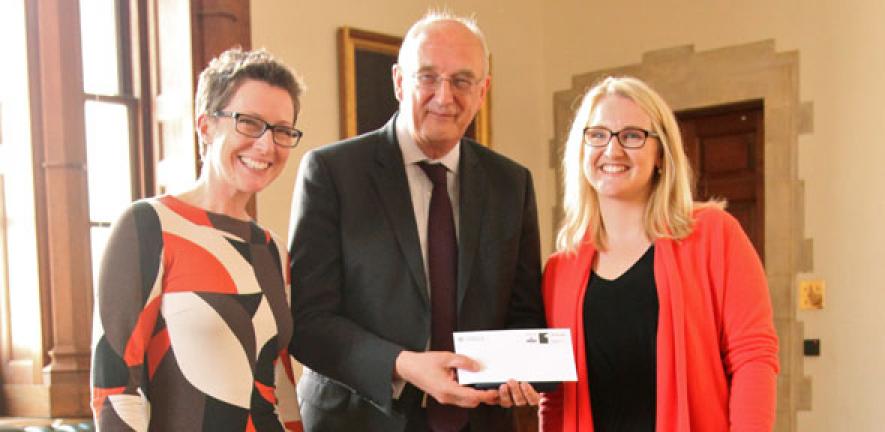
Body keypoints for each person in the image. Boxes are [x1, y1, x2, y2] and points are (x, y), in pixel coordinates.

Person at [289, 11, 546, 432]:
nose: (444, 97)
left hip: (478, 420)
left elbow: (523, 312)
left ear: (483, 90)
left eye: (462, 80)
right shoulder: (333, 173)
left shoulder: (511, 183)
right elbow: (309, 321)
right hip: (358, 419)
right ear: (398, 81)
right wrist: (402, 365)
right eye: (428, 77)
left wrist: (518, 373)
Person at [538, 76, 780, 431]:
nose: (613, 150)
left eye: (633, 136)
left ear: (661, 155)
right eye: (598, 134)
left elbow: (753, 358)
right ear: (581, 151)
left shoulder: (714, 234)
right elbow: (556, 396)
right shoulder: (560, 269)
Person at [90, 48, 304, 431]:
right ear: (205, 126)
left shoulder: (272, 250)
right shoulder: (148, 226)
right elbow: (116, 388)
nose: (266, 145)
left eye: (282, 130)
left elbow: (279, 389)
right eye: (250, 123)